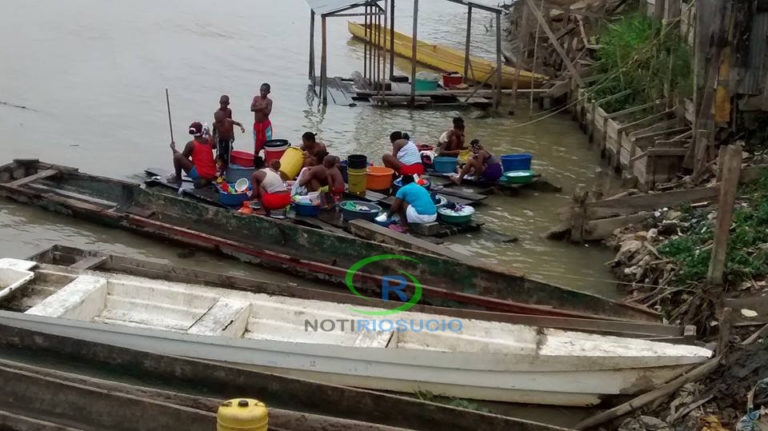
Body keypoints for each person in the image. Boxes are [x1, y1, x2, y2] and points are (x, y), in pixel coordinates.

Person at [251, 83, 273, 156]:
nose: (262, 92)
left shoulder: (269, 101)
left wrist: (258, 107)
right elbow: (251, 108)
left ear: (268, 92)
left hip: (266, 126)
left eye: (265, 91)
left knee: (267, 145)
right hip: (257, 125)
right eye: (261, 90)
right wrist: (263, 107)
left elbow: (267, 113)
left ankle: (267, 161)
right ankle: (256, 161)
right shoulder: (256, 98)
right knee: (256, 146)